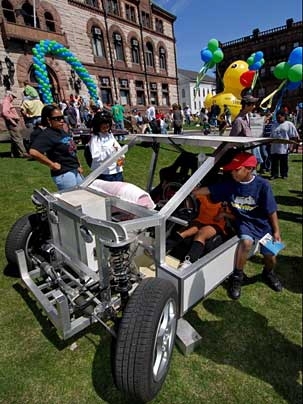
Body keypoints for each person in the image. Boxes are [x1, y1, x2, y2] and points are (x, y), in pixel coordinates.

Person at [193, 151, 283, 300]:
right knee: (246, 242)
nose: (233, 173)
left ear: (249, 169)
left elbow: (271, 210)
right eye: (232, 169)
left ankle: (268, 273)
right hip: (244, 223)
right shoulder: (229, 185)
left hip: (263, 226)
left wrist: (276, 232)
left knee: (271, 257)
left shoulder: (263, 185)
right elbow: (209, 190)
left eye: (237, 169)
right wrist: (192, 192)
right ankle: (237, 277)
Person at [166, 194, 233, 269]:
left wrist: (224, 214)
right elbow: (191, 198)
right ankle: (163, 249)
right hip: (200, 220)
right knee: (184, 232)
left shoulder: (228, 199)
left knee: (201, 233)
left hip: (216, 224)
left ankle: (189, 261)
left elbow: (236, 216)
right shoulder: (205, 193)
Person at [29, 104, 84, 191]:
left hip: (75, 169)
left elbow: (72, 150)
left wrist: (79, 164)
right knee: (72, 201)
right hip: (64, 174)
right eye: (57, 118)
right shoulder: (47, 134)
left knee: (83, 196)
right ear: (48, 119)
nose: (62, 120)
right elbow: (33, 152)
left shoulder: (62, 131)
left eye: (62, 117)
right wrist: (51, 164)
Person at [88, 110, 124, 181]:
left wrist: (121, 156)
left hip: (117, 169)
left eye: (107, 127)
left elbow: (117, 147)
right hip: (105, 172)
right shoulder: (95, 138)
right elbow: (96, 157)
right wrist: (110, 151)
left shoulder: (110, 135)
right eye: (104, 128)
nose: (106, 129)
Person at [269, 109, 299, 180]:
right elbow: (271, 136)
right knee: (274, 162)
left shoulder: (289, 124)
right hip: (274, 147)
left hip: (284, 147)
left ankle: (284, 174)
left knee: (284, 162)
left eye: (279, 117)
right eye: (277, 117)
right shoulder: (274, 125)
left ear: (284, 117)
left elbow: (293, 136)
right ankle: (274, 174)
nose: (278, 119)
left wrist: (291, 146)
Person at [1, 90, 30, 158]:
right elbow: (4, 113)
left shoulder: (7, 102)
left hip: (12, 121)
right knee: (18, 138)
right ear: (9, 95)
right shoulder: (6, 102)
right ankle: (24, 153)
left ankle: (14, 153)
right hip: (12, 122)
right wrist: (13, 119)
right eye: (13, 96)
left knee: (15, 137)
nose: (13, 98)